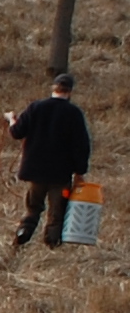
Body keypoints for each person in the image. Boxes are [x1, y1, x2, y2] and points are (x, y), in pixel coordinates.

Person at [7, 71, 94, 248]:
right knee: (57, 212)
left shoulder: (35, 107)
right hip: (60, 175)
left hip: (35, 172)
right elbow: (82, 146)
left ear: (53, 88)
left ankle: (22, 234)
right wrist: (80, 172)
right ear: (69, 91)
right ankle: (52, 243)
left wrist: (11, 120)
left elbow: (17, 132)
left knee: (33, 208)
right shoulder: (74, 113)